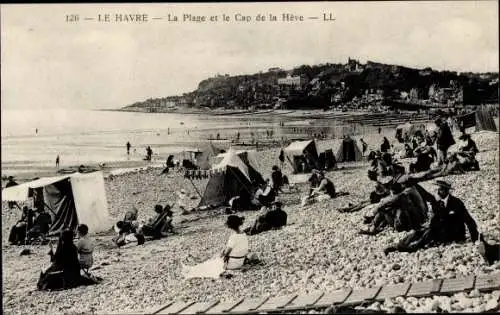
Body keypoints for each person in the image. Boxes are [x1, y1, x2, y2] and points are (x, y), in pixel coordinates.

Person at [384, 180, 479, 255]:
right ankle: (399, 245)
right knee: (420, 231)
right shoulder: (437, 203)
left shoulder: (456, 203)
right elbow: (435, 219)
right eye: (438, 190)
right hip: (441, 230)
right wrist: (428, 226)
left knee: (431, 231)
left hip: (454, 232)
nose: (438, 192)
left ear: (447, 191)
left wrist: (475, 238)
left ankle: (415, 247)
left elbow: (468, 220)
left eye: (441, 190)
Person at [181, 215, 251, 279]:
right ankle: (194, 267)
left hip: (232, 264)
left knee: (212, 264)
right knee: (213, 260)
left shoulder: (233, 237)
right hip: (240, 261)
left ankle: (192, 270)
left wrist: (221, 255)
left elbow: (226, 253)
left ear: (230, 226)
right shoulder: (243, 234)